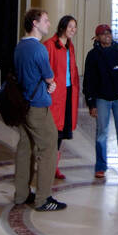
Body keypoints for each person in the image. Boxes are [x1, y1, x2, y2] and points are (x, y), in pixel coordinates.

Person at [12, 8, 66, 211]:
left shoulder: (20, 46)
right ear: (34, 23)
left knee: (25, 148)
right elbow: (49, 77)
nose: (49, 24)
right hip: (37, 106)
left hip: (23, 104)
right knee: (49, 147)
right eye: (45, 20)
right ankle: (43, 198)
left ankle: (21, 194)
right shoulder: (39, 49)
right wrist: (50, 84)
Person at [82, 23, 118, 181]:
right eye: (103, 33)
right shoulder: (92, 55)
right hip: (101, 99)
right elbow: (89, 81)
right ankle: (100, 166)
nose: (107, 35)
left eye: (109, 33)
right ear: (97, 37)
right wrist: (91, 103)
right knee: (101, 134)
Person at [44, 15, 80, 181]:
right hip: (54, 95)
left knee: (60, 133)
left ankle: (54, 166)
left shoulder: (70, 47)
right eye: (70, 26)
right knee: (53, 132)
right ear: (63, 27)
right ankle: (48, 166)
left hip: (67, 94)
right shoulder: (50, 45)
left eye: (75, 27)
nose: (73, 30)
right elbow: (45, 69)